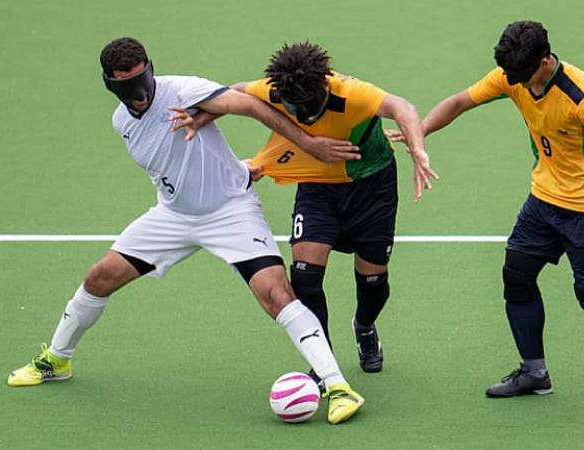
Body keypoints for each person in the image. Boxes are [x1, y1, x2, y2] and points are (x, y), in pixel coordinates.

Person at [7, 37, 364, 424]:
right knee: (99, 277)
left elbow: (250, 105)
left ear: (151, 69)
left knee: (275, 293)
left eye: (143, 79)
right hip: (173, 216)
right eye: (127, 85)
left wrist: (309, 144)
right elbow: (172, 166)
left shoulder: (185, 90)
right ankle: (56, 361)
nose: (140, 92)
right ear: (111, 85)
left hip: (231, 212)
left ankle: (337, 386)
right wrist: (233, 165)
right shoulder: (121, 122)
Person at [390, 21, 584, 397]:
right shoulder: (512, 75)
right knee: (516, 276)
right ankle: (534, 373)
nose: (516, 83)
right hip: (544, 200)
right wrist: (418, 133)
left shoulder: (583, 96)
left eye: (523, 75)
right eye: (511, 76)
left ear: (546, 60)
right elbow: (459, 103)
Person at [176, 42, 438, 376]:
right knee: (304, 276)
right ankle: (323, 362)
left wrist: (417, 150)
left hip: (372, 187)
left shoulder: (351, 93)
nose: (303, 114)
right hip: (317, 188)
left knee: (373, 279)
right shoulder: (278, 89)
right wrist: (202, 117)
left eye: (309, 106)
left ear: (324, 87)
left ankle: (364, 326)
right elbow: (236, 94)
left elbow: (403, 108)